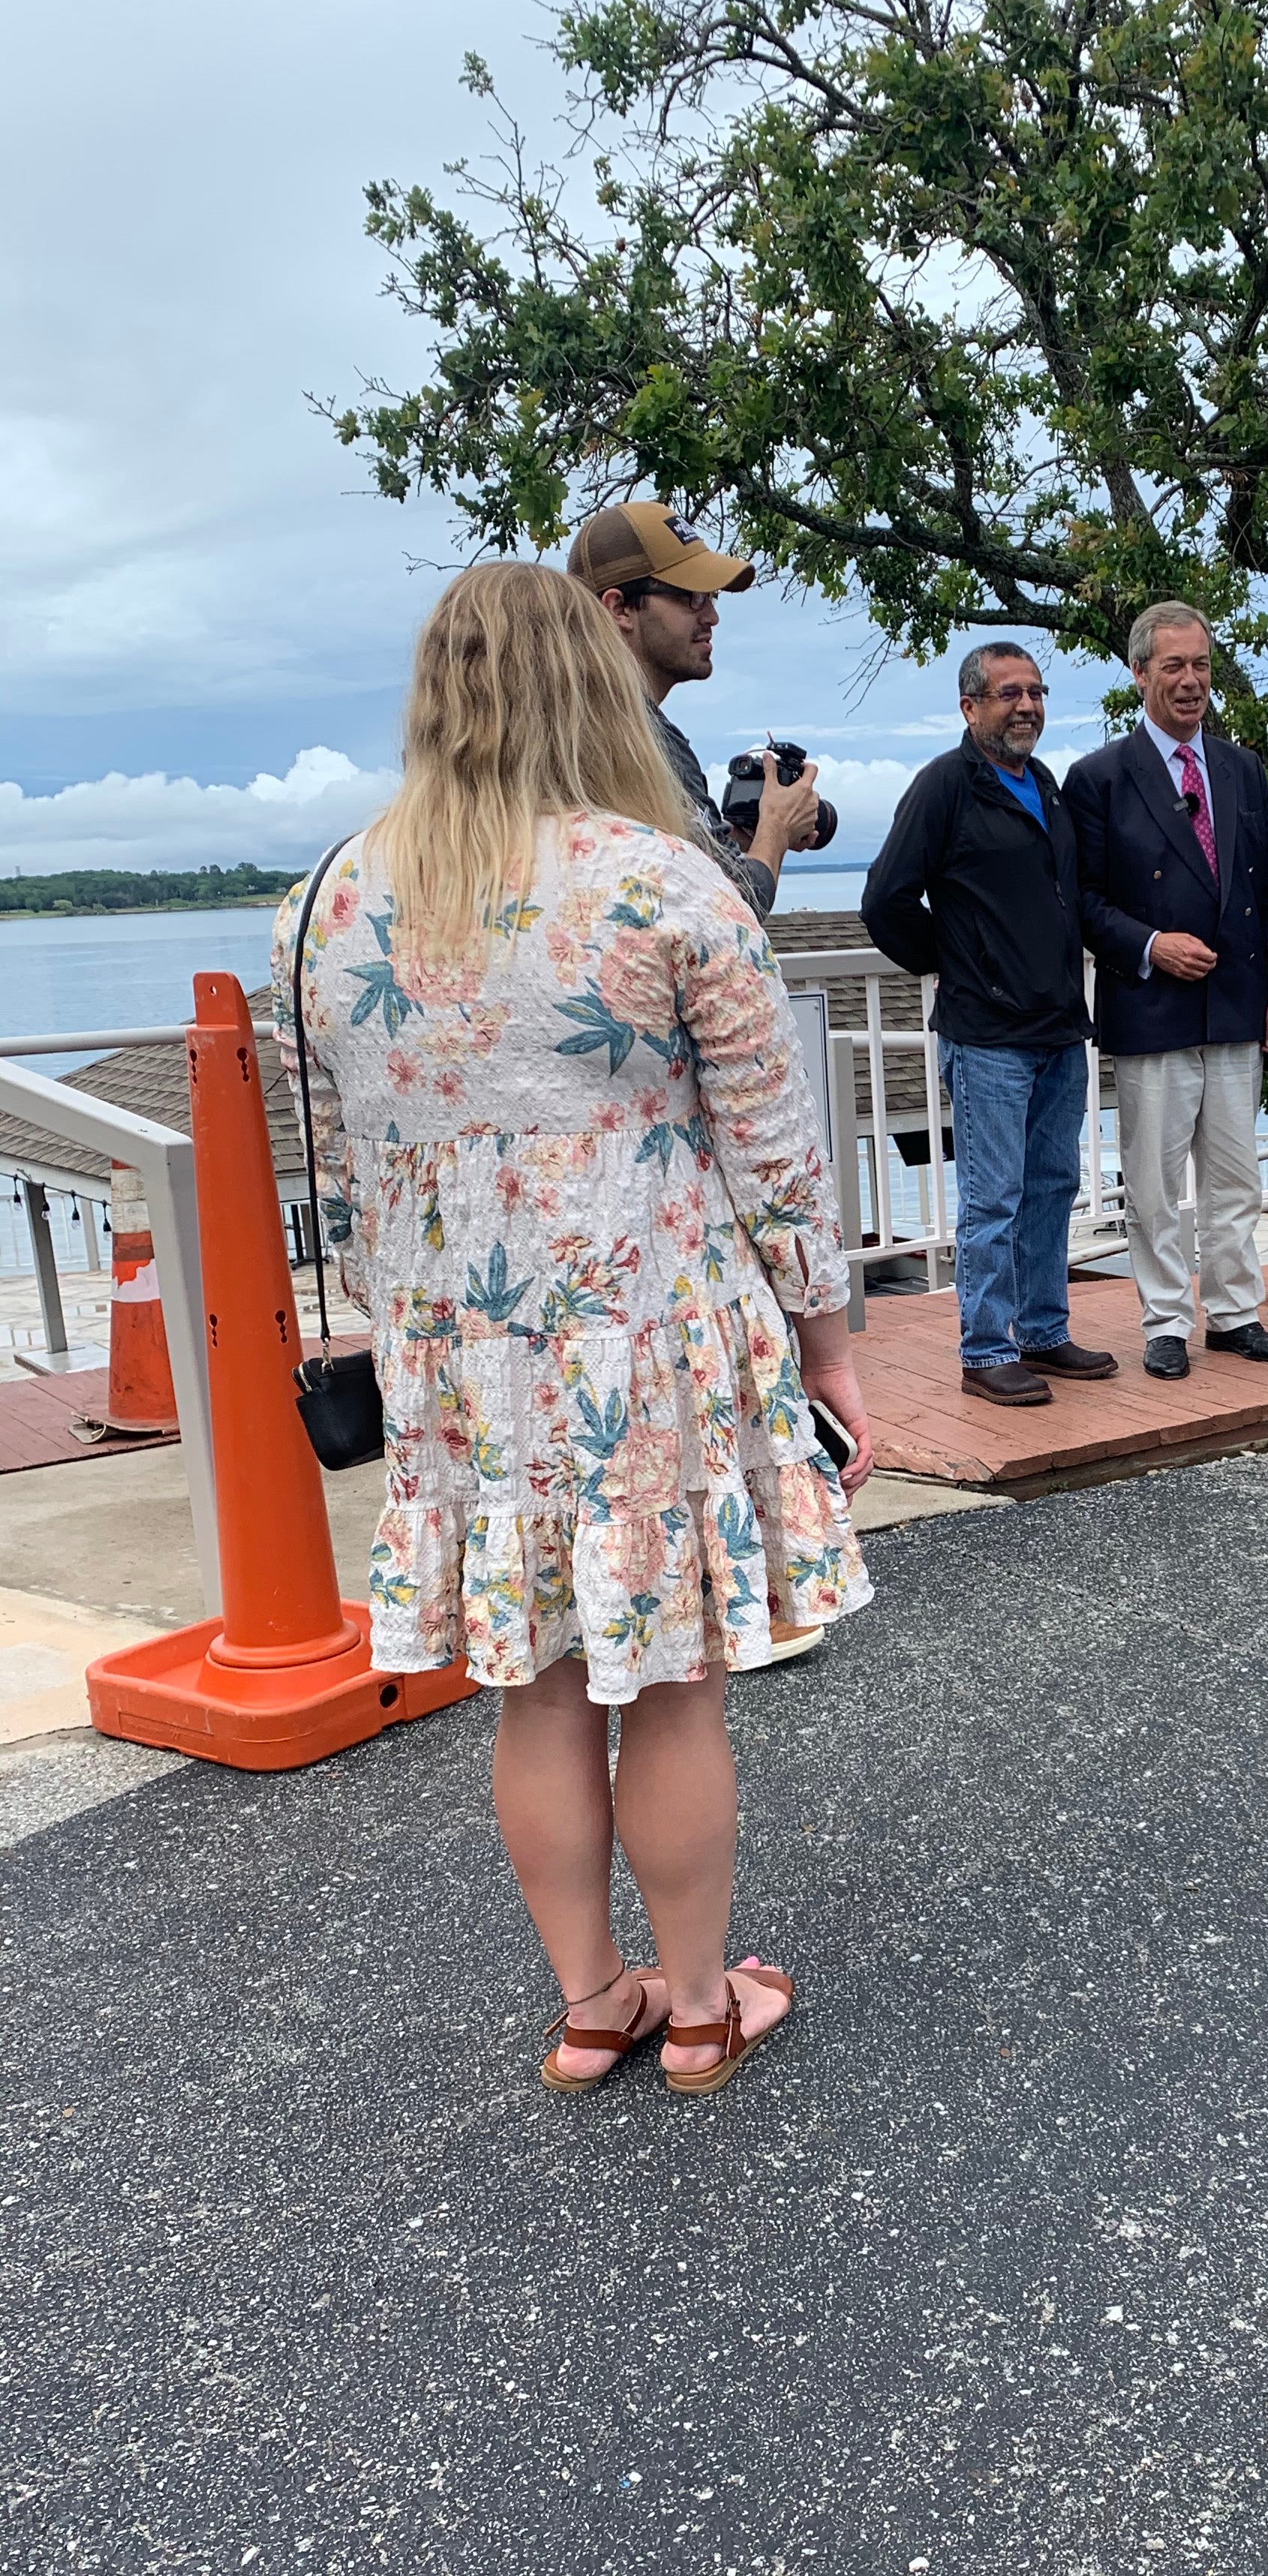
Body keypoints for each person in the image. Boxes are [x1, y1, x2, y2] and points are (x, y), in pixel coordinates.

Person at [276, 561, 874, 2094]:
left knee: (534, 1691)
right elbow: (776, 1151)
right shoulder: (661, 878)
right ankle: (697, 2006)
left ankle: (588, 1999)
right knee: (671, 1685)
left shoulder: (330, 900)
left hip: (459, 1368)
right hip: (647, 1343)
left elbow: (343, 1164)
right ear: (590, 682)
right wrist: (829, 1349)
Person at [862, 643, 1118, 1407]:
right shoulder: (945, 786)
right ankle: (985, 1349)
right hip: (988, 1036)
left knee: (1051, 1186)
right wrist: (958, 963)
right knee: (993, 1198)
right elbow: (886, 902)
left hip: (1058, 1029)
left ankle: (1044, 1330)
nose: (1027, 706)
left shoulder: (1043, 783)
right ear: (971, 706)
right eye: (1009, 693)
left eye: (1036, 692)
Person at [1063, 602, 1268, 1381]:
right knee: (1157, 1185)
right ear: (1139, 675)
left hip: (1236, 1004)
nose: (1191, 681)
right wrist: (1151, 945)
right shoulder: (1098, 778)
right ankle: (1166, 1320)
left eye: (1200, 665)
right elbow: (1084, 902)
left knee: (1236, 1177)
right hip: (1152, 1009)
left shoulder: (1240, 769)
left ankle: (1234, 1314)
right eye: (1174, 667)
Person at [567, 498, 821, 921]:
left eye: (712, 596)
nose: (713, 616)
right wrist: (775, 828)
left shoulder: (569, 723)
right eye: (691, 597)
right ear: (619, 608)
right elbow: (734, 909)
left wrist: (734, 842)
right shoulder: (644, 741)